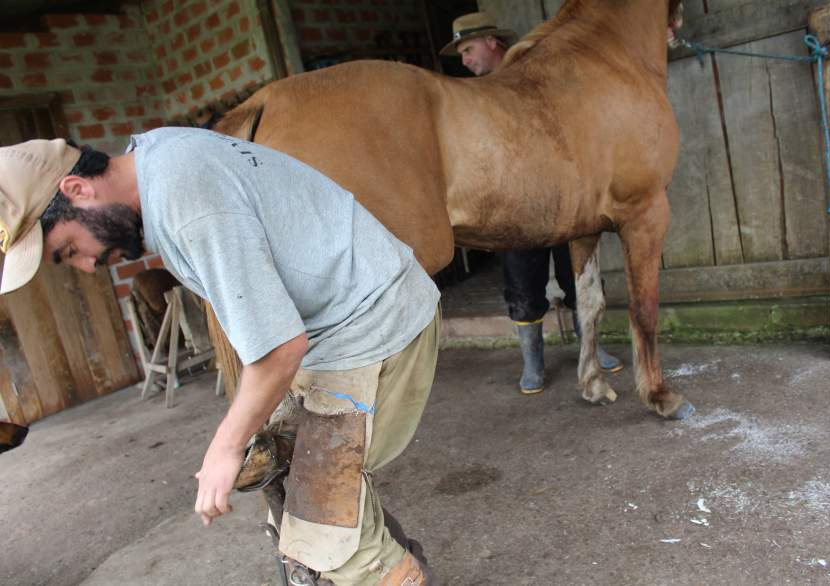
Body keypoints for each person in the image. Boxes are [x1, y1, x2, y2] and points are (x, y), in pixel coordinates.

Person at [0, 131, 439, 585]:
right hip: (335, 325)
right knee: (282, 474)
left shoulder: (185, 204)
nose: (88, 266)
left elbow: (278, 349)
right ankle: (386, 554)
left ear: (76, 189)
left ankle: (380, 569)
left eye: (70, 250)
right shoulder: (154, 155)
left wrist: (223, 447)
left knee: (323, 535)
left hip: (370, 323)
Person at [440, 12, 623, 395]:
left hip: (562, 194)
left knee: (579, 276)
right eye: (461, 54)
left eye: (469, 50)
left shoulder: (534, 71)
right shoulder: (472, 98)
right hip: (515, 204)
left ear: (492, 42)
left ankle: (592, 346)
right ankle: (533, 361)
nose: (465, 61)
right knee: (522, 282)